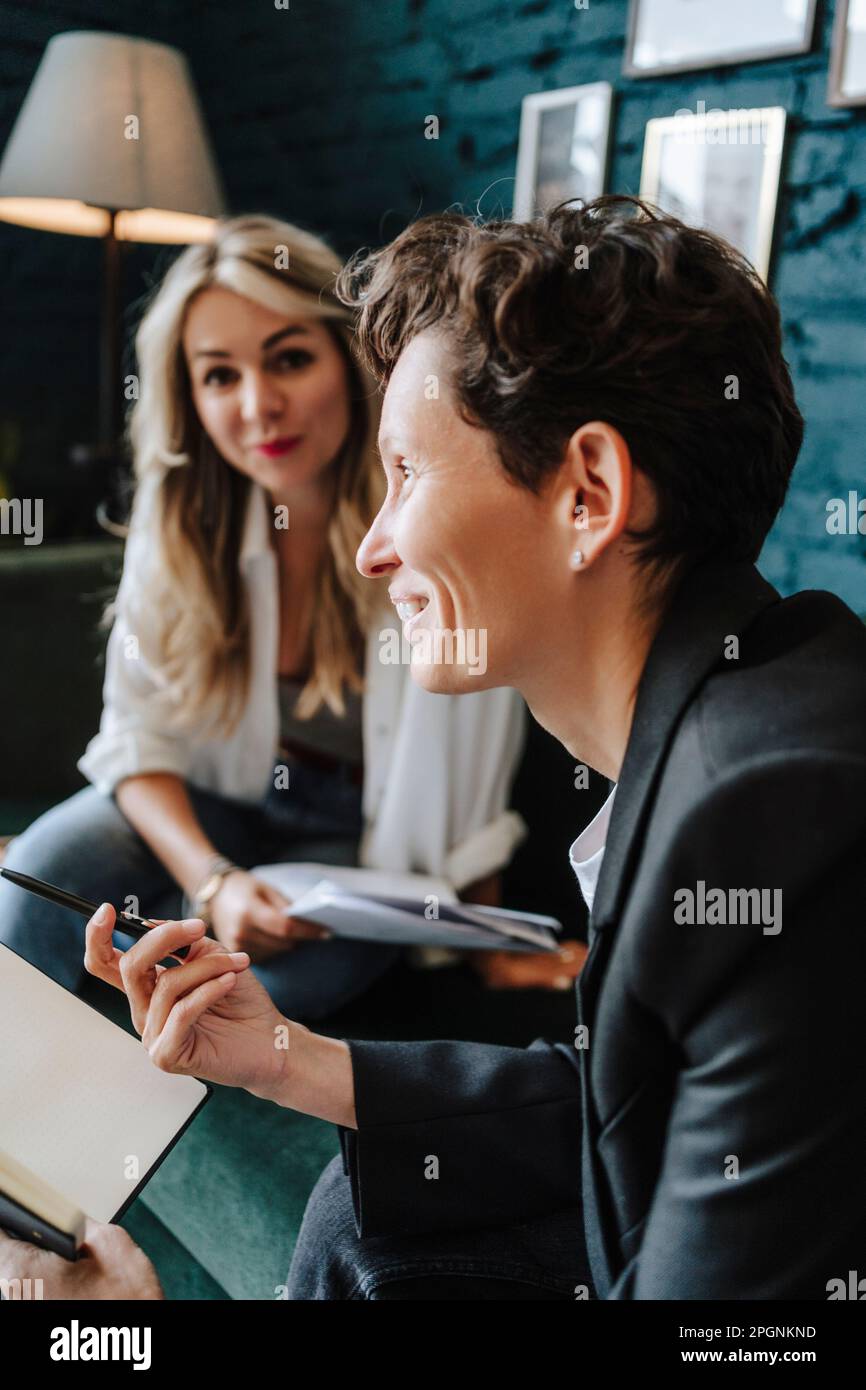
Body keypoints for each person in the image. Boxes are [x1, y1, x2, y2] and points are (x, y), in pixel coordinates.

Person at [3, 194, 865, 1301]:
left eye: (405, 471)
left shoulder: (765, 816)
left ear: (587, 495)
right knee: (365, 1216)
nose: (372, 544)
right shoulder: (749, 713)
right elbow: (619, 1092)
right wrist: (286, 1057)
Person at [0, 213, 571, 1022]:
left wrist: (478, 938)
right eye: (219, 376)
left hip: (354, 845)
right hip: (213, 803)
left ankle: (158, 981)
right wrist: (213, 880)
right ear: (188, 396)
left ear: (348, 361)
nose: (259, 405)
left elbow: (473, 748)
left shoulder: (424, 521)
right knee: (29, 888)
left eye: (289, 359)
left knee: (261, 998)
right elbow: (138, 740)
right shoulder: (179, 526)